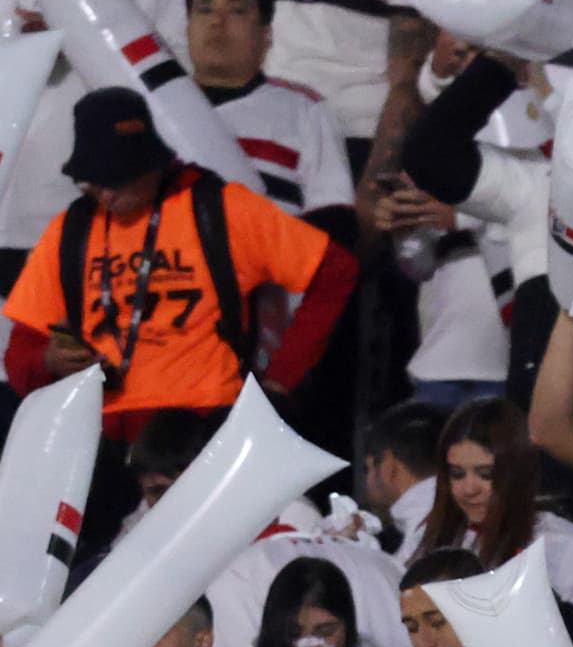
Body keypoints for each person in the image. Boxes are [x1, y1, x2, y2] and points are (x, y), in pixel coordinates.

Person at [5, 90, 352, 433]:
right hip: (100, 432)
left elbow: (336, 270)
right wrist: (48, 363)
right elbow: (20, 353)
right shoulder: (70, 229)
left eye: (120, 179)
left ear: (152, 165)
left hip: (205, 426)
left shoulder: (220, 208)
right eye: (94, 181)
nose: (107, 194)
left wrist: (281, 380)